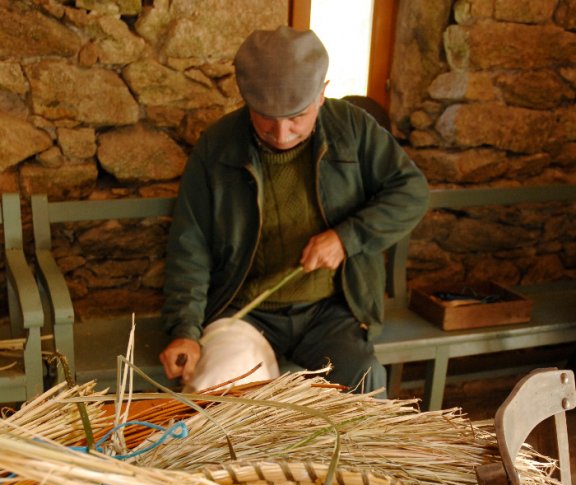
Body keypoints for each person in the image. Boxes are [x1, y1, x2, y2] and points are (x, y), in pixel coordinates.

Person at [159, 25, 429, 395]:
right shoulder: (218, 145)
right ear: (246, 99)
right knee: (218, 393)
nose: (281, 133)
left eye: (296, 117)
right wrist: (185, 331)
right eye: (266, 117)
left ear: (321, 94)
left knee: (364, 387)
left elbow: (411, 191)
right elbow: (190, 245)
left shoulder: (352, 129)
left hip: (330, 310)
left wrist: (346, 238)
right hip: (244, 312)